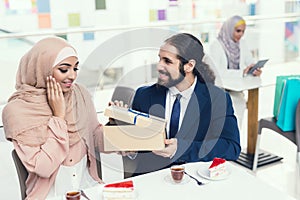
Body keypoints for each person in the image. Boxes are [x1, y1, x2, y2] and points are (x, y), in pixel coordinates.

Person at [122, 33, 241, 176]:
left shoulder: (217, 99)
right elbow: (135, 144)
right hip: (151, 179)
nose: (159, 66)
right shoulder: (144, 95)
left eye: (167, 61)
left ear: (189, 66)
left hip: (194, 181)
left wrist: (182, 148)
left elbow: (231, 147)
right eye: (159, 59)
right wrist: (120, 128)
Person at [2, 37, 105, 199]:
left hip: (87, 190)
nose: (72, 76)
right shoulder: (17, 111)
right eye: (64, 70)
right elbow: (44, 167)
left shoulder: (80, 95)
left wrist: (118, 127)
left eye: (75, 69)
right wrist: (58, 117)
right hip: (49, 196)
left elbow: (96, 138)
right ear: (42, 69)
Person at [208, 15, 262, 129]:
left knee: (238, 112)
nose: (241, 34)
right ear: (229, 28)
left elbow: (249, 61)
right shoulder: (216, 45)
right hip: (220, 90)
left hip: (236, 88)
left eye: (243, 31)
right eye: (238, 31)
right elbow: (216, 72)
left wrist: (253, 69)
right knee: (232, 111)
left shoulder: (241, 43)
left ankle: (234, 142)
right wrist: (241, 72)